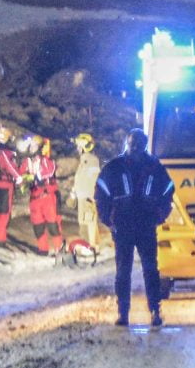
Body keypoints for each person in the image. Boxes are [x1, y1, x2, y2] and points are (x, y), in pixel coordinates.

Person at [94, 129, 175, 328]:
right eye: (133, 143)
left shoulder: (155, 167)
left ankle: (155, 311)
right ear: (127, 143)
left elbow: (168, 190)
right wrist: (108, 219)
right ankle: (123, 313)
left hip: (146, 225)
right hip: (122, 226)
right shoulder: (114, 167)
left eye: (139, 143)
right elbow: (101, 193)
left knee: (150, 270)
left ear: (145, 145)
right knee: (123, 271)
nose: (135, 147)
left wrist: (159, 215)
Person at [25, 135, 66, 254]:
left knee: (53, 224)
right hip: (35, 197)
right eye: (31, 146)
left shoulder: (47, 161)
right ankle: (43, 249)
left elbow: (49, 170)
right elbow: (20, 172)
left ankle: (59, 248)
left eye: (34, 146)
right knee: (37, 225)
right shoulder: (28, 161)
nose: (31, 148)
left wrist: (37, 174)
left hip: (47, 196)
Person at [0, 125, 23, 245]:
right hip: (6, 184)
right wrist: (19, 178)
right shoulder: (6, 153)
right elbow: (10, 166)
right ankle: (0, 239)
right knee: (4, 214)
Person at [69, 132, 103, 252]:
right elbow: (80, 179)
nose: (77, 149)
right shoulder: (84, 161)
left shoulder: (91, 160)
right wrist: (73, 194)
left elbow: (93, 179)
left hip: (88, 196)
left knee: (89, 221)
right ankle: (89, 245)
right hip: (82, 196)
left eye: (79, 146)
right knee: (84, 221)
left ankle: (92, 247)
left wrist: (92, 195)